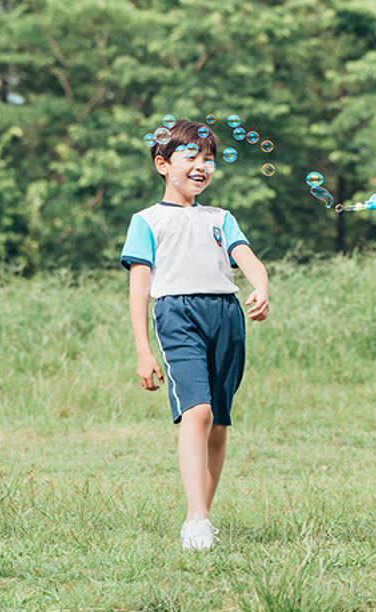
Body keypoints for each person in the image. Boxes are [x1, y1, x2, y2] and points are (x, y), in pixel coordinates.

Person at [121, 120, 269, 550]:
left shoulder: (221, 218)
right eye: (191, 157)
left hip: (226, 315)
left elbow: (249, 260)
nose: (201, 166)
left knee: (218, 423)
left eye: (209, 159)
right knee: (197, 411)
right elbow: (139, 289)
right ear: (162, 165)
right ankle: (195, 519)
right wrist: (143, 350)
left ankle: (203, 514)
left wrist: (261, 286)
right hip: (176, 314)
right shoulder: (146, 220)